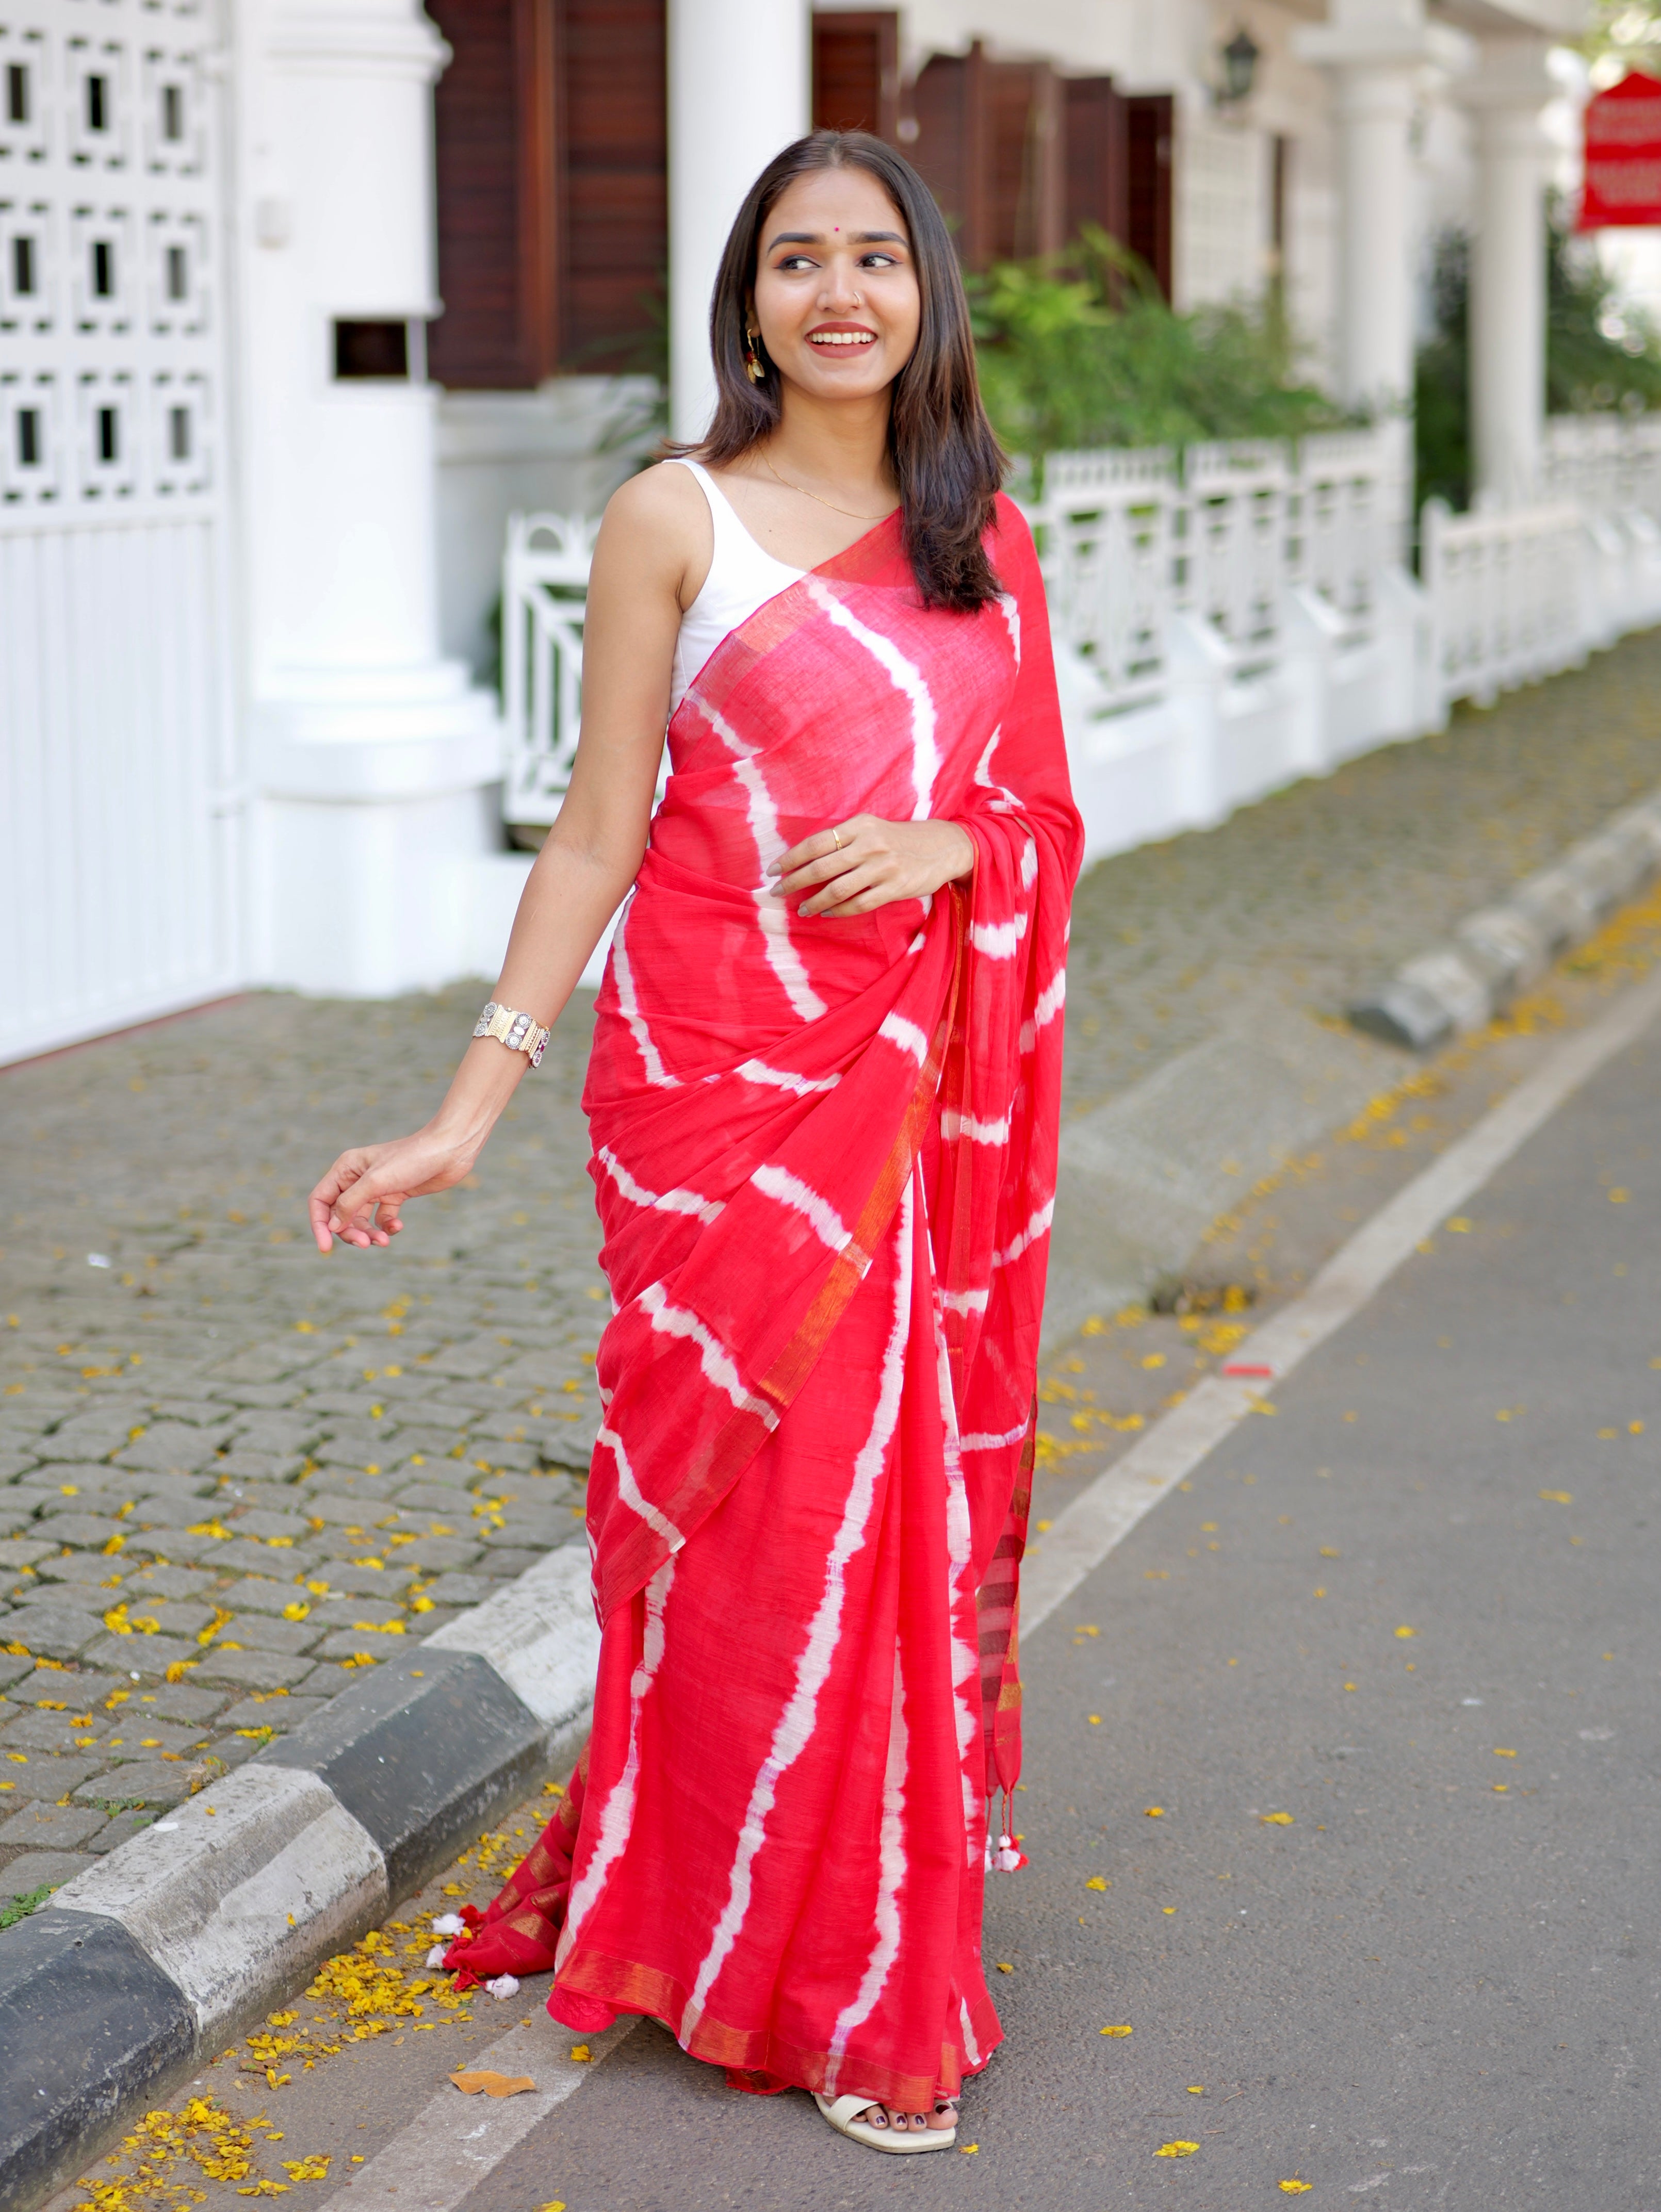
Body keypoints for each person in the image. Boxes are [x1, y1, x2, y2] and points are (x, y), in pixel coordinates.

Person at [307, 129, 1082, 2155]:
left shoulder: (986, 539)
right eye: (797, 258)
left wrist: (958, 843)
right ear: (746, 299)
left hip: (901, 1090)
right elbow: (596, 825)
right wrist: (470, 1102)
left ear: (927, 293)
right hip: (711, 1079)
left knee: (860, 1529)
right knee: (729, 1530)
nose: (840, 291)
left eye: (876, 257)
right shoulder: (673, 516)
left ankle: (850, 1973)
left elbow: (1045, 824)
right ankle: (720, 1917)